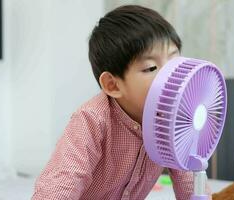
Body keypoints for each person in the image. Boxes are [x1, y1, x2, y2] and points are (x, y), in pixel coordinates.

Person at [32, 5, 194, 200]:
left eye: (175, 61)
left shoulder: (173, 123)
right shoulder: (91, 120)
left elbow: (189, 182)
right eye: (151, 67)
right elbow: (61, 182)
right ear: (112, 85)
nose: (172, 76)